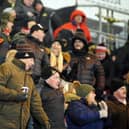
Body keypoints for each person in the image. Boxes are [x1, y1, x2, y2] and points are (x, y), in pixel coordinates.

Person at [0, 50, 51, 129]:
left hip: (21, 125)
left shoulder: (29, 79)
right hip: (3, 122)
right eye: (31, 60)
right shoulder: (7, 67)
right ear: (23, 59)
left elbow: (36, 104)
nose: (33, 63)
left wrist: (44, 121)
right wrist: (16, 95)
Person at [66, 31, 105, 100]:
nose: (77, 43)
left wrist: (99, 89)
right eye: (76, 42)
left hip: (87, 92)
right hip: (71, 91)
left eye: (80, 42)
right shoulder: (68, 56)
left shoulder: (93, 58)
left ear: (84, 43)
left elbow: (100, 74)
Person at [34, 65, 66, 129]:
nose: (58, 80)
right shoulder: (39, 91)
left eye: (59, 78)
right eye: (55, 78)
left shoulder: (58, 90)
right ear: (47, 78)